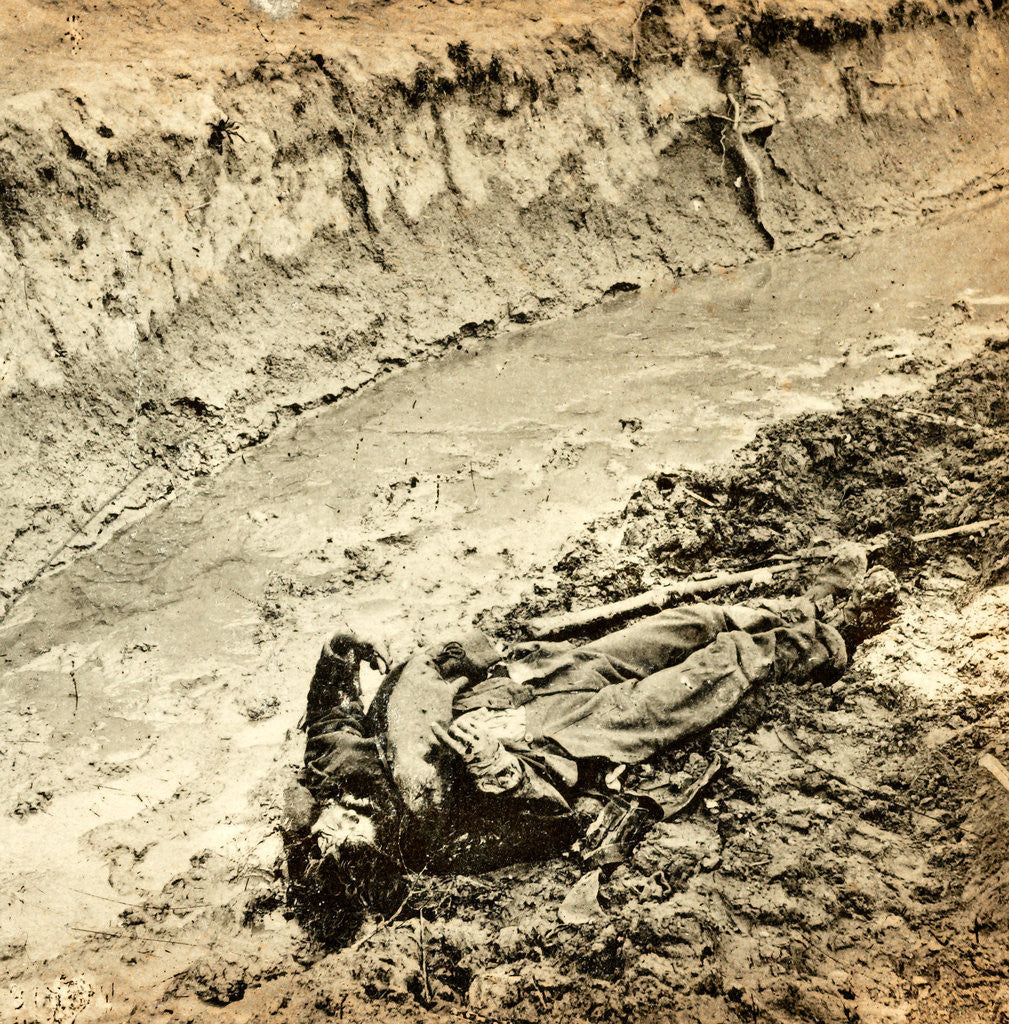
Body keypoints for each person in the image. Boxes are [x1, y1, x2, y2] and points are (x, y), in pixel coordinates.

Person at [281, 544, 897, 936]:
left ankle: (800, 605)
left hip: (520, 684)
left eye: (331, 828)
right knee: (711, 674)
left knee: (678, 626)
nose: (345, 820)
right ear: (376, 857)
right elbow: (549, 822)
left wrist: (337, 656)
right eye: (350, 840)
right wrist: (501, 771)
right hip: (575, 738)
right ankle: (833, 637)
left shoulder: (346, 784)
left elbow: (335, 722)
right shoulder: (439, 839)